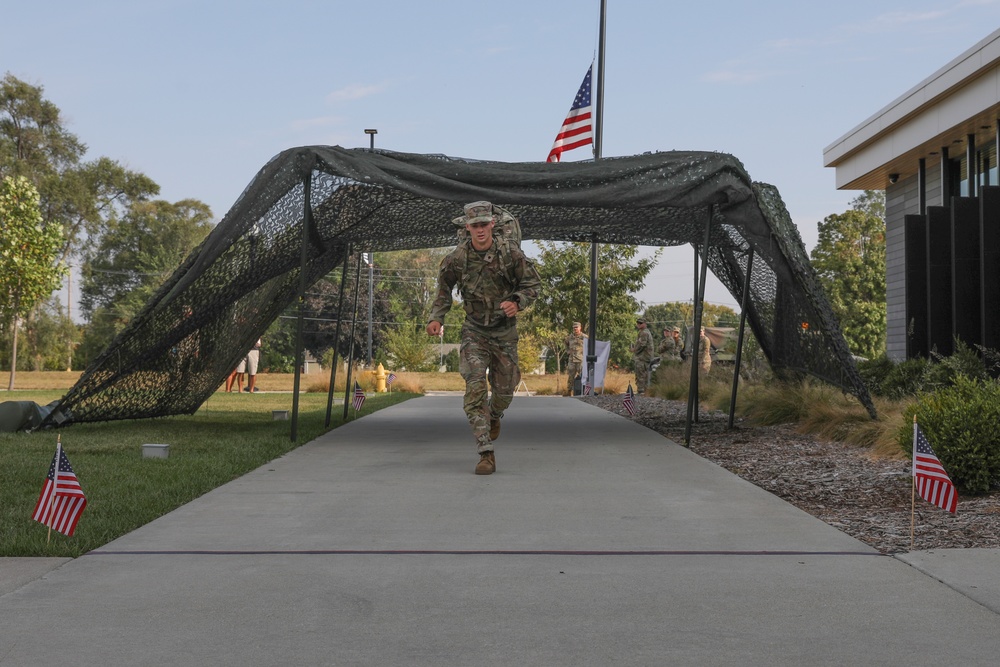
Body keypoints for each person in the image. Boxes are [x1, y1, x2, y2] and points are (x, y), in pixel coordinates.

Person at [427, 201, 541, 475]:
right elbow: (443, 288)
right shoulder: (457, 258)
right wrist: (436, 317)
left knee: (505, 391)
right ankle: (485, 452)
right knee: (475, 387)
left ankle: (495, 414)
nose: (480, 230)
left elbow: (532, 284)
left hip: (504, 331)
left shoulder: (510, 253)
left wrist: (517, 301)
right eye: (474, 225)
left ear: (492, 224)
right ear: (467, 228)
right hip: (474, 330)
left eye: (483, 224)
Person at [630, 318, 654, 394]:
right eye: (638, 323)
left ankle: (641, 391)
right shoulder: (642, 332)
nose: (639, 324)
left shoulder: (644, 333)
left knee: (641, 374)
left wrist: (634, 350)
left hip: (643, 358)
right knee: (643, 374)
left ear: (645, 324)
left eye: (641, 323)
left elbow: (642, 345)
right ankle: (644, 391)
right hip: (644, 357)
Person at [564, 321, 586, 396]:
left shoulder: (584, 337)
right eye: (574, 327)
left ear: (580, 328)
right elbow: (566, 344)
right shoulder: (569, 337)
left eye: (576, 327)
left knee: (583, 376)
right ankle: (569, 391)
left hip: (581, 360)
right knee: (571, 376)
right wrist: (568, 351)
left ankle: (583, 391)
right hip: (572, 360)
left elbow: (590, 345)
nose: (575, 329)